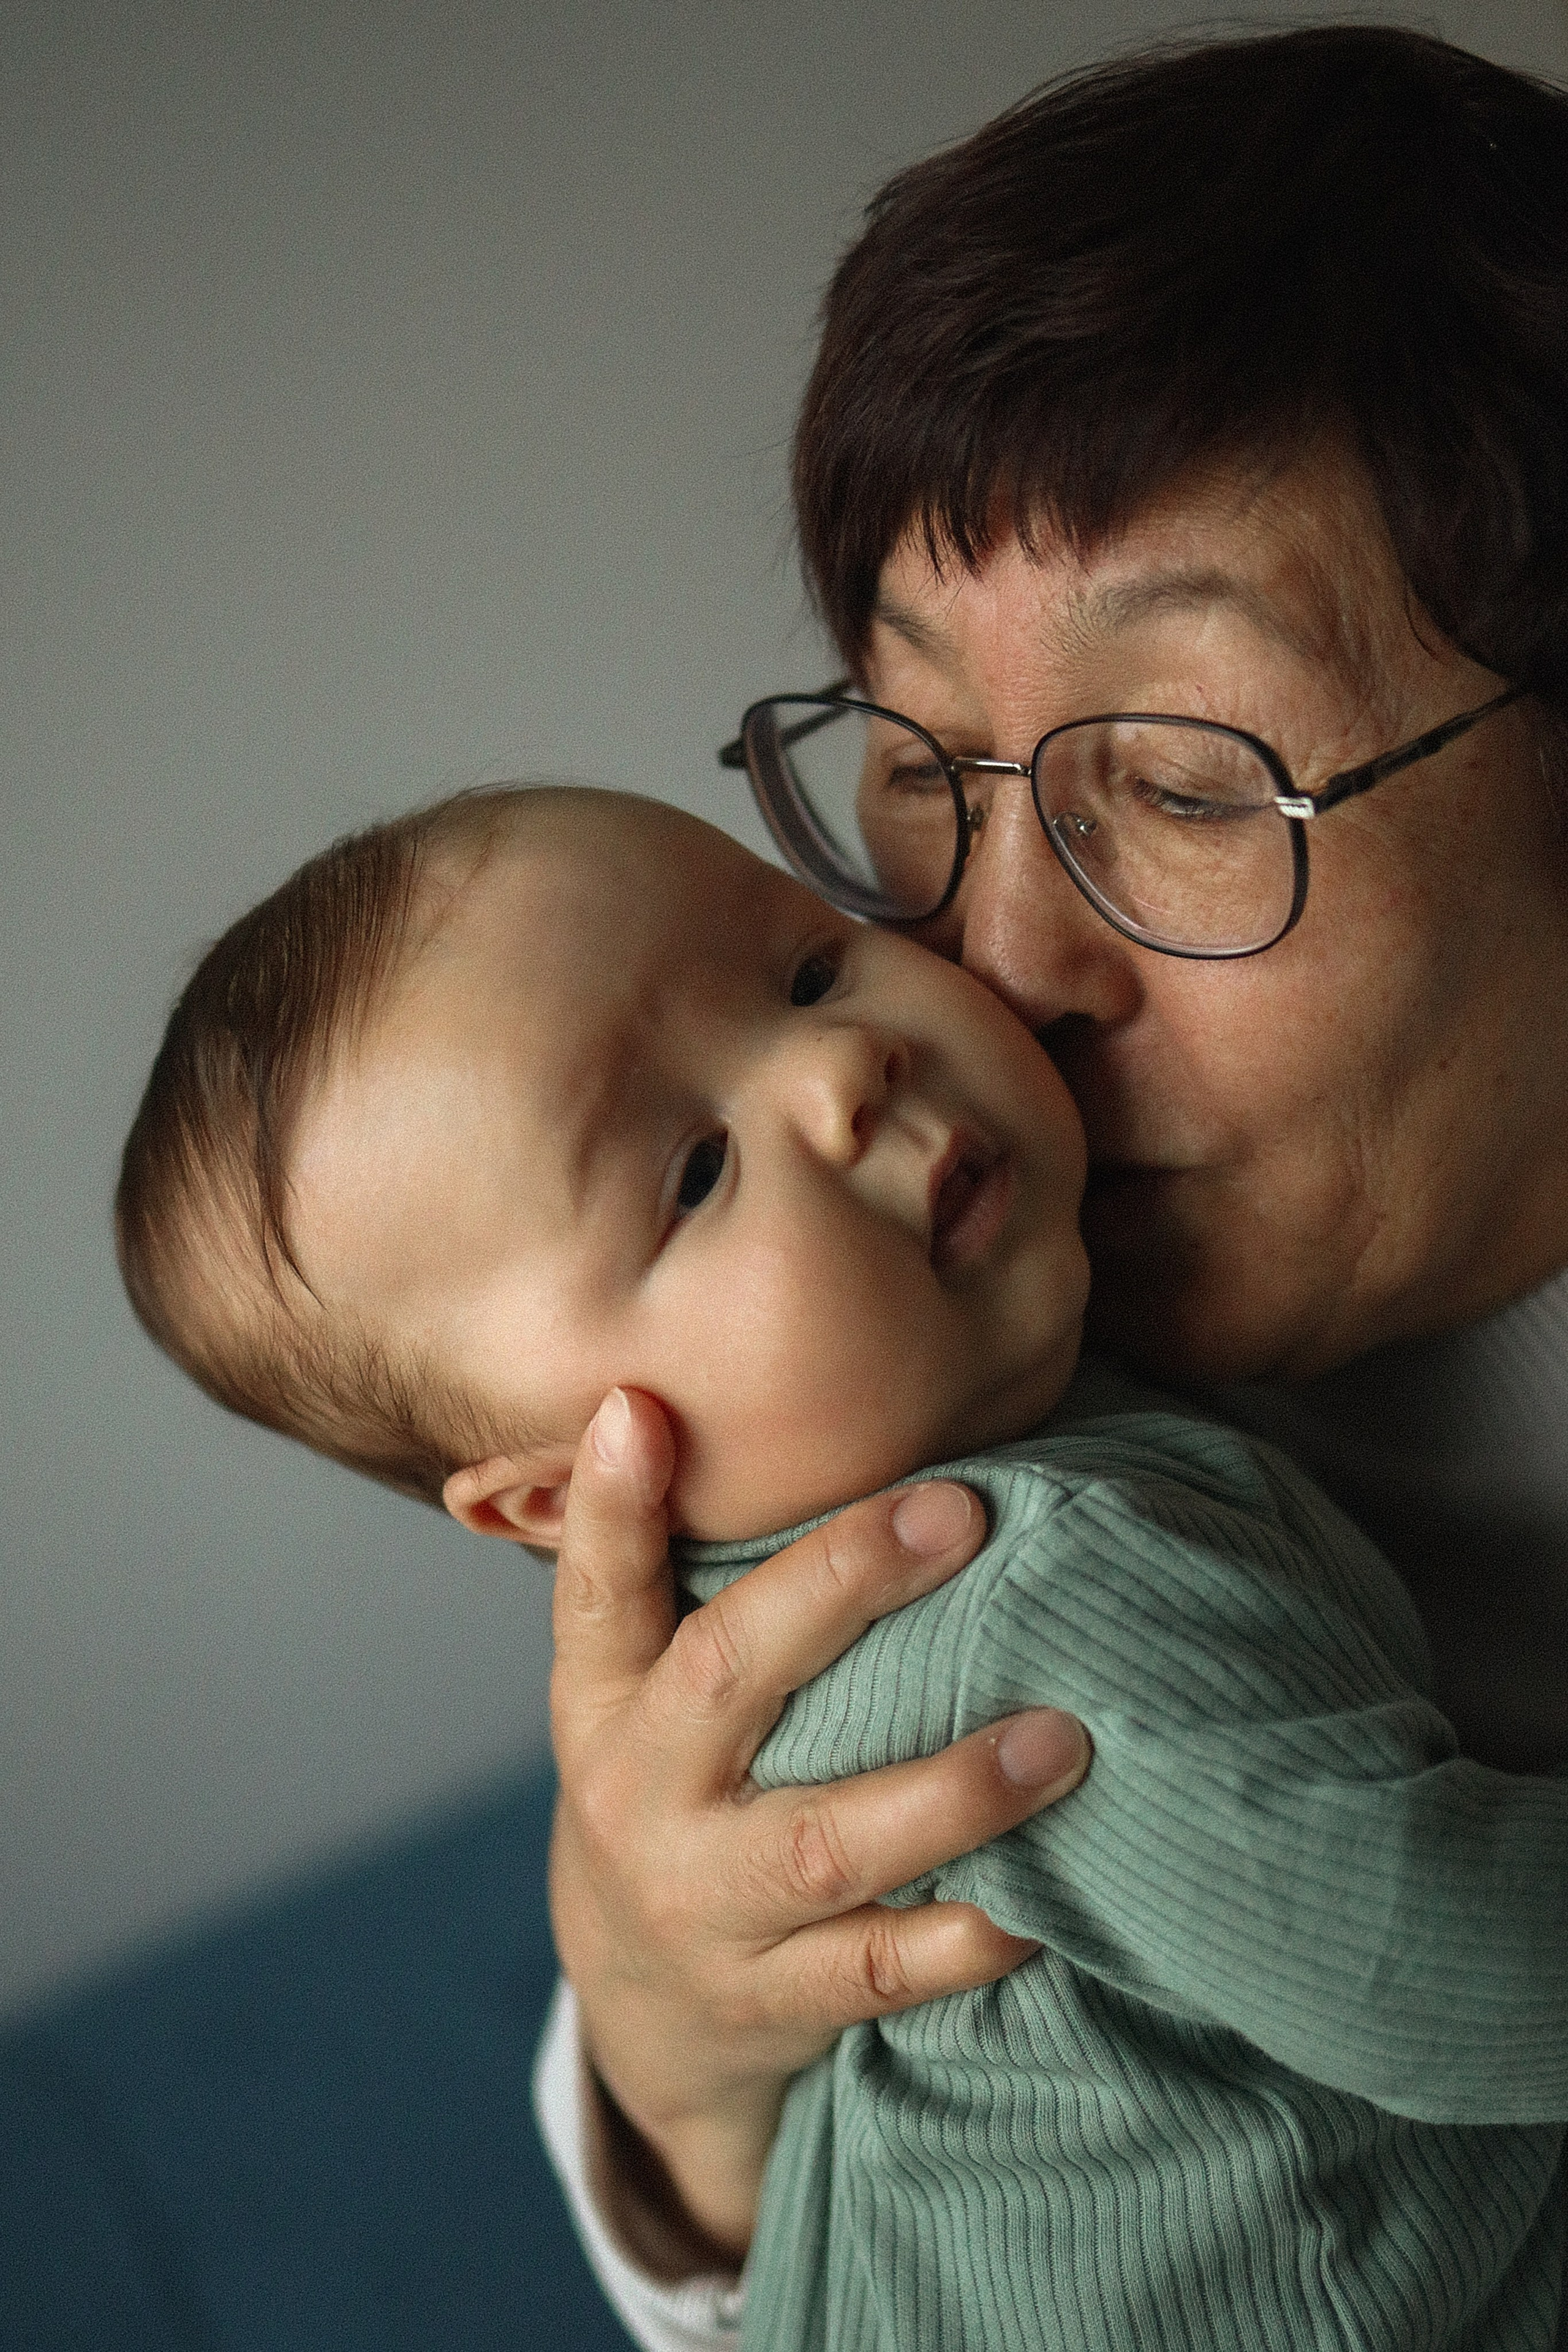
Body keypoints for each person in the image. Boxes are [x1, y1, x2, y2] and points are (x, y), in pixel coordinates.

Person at [518, 26, 1568, 2351]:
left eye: (1188, 786)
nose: (996, 963)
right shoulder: (921, 1362)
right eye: (918, 767)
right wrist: (673, 2060)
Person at [115, 780, 1567, 2348]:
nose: (837, 1067)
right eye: (688, 1176)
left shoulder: (1030, 1419)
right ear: (564, 1493)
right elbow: (1420, 1958)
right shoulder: (1027, 1593)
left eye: (807, 967)